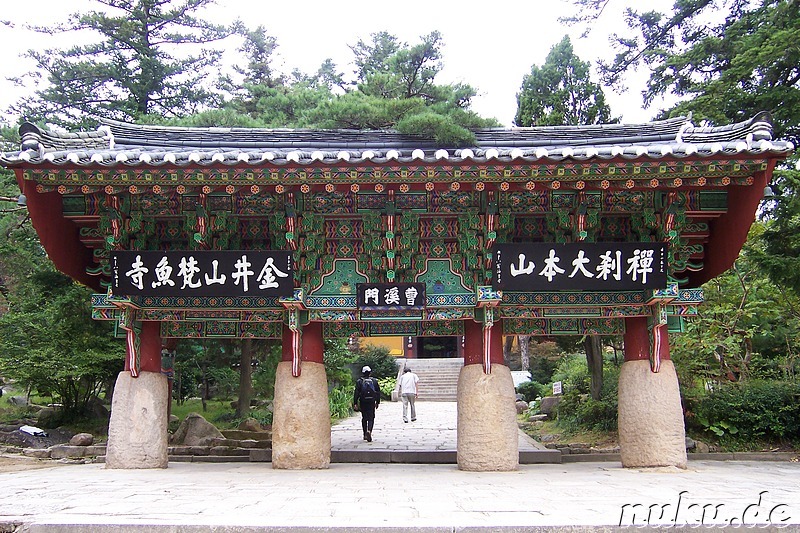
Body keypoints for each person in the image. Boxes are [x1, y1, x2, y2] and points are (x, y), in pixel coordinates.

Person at [353, 365, 380, 442]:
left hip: (363, 401)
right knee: (371, 417)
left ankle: (365, 433)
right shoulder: (374, 381)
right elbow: (378, 392)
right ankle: (369, 431)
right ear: (370, 373)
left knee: (364, 417)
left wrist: (355, 403)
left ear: (363, 372)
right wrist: (377, 402)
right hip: (371, 401)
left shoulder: (360, 381)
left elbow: (356, 393)